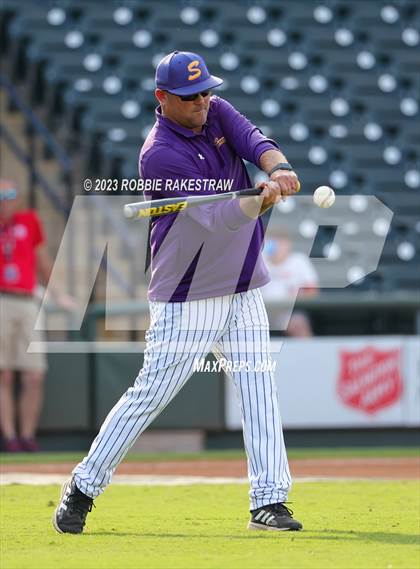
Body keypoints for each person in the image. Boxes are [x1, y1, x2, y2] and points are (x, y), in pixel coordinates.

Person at [53, 51, 302, 534]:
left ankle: (269, 502)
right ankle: (84, 485)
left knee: (259, 387)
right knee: (151, 395)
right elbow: (215, 220)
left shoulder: (216, 110)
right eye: (191, 97)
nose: (203, 102)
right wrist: (260, 199)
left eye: (207, 91)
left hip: (243, 281)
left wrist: (279, 168)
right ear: (162, 98)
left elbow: (255, 140)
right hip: (190, 291)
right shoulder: (159, 153)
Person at [0, 180, 73, 452]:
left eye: (9, 195)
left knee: (34, 375)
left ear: (17, 198)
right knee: (4, 375)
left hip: (27, 299)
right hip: (1, 298)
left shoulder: (29, 221)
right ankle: (10, 437)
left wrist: (59, 295)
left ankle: (27, 434)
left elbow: (43, 261)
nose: (4, 201)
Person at [262, 231, 319, 336]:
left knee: (298, 324)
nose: (277, 246)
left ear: (288, 244)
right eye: (273, 241)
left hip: (288, 312)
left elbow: (312, 291)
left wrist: (295, 296)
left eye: (280, 241)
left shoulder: (298, 261)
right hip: (260, 312)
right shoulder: (258, 262)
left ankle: (309, 352)